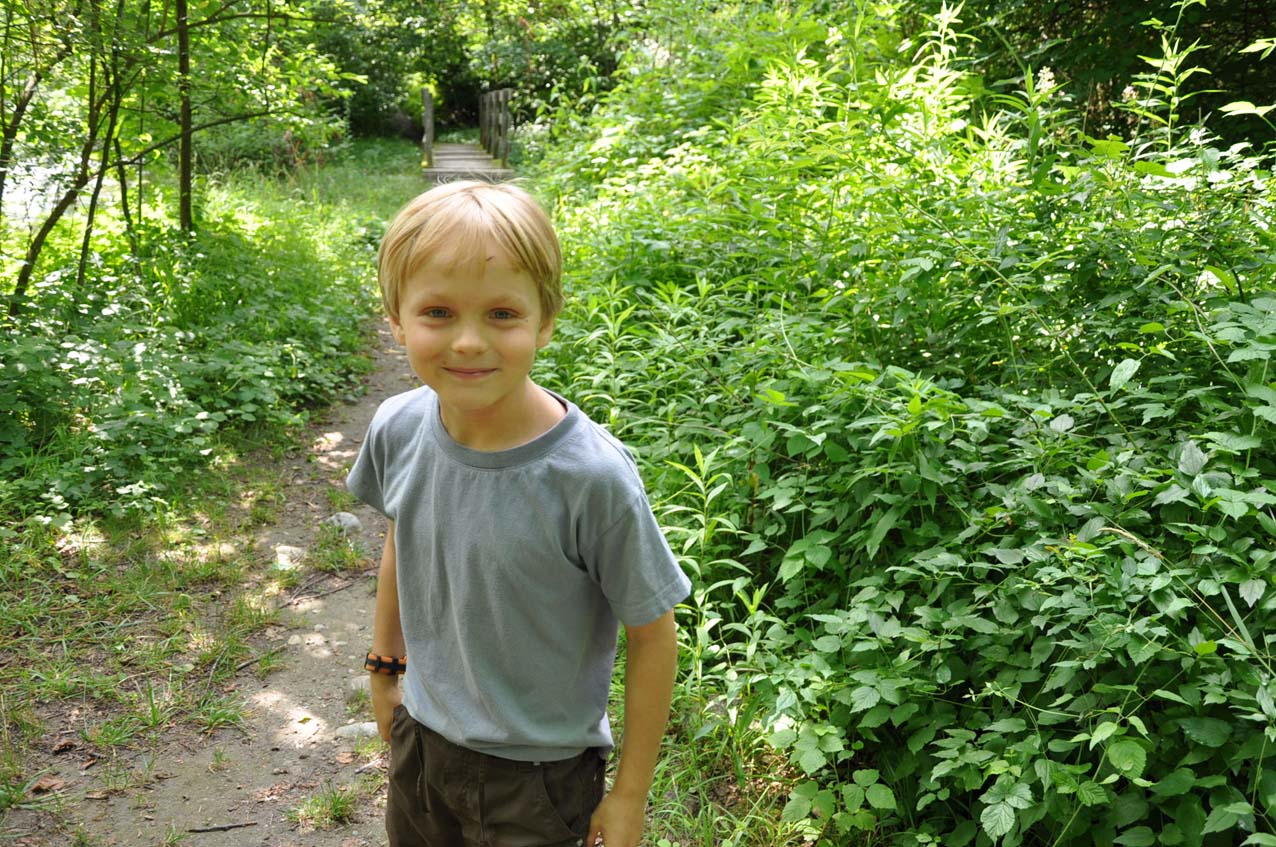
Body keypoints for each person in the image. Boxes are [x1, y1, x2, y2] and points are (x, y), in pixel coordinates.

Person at [347, 180, 692, 847]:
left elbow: (653, 634)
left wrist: (629, 794)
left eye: (502, 314)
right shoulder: (398, 426)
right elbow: (403, 537)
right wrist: (385, 665)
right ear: (396, 319)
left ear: (545, 320)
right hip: (423, 743)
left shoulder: (590, 478)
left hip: (539, 778)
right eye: (438, 312)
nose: (468, 341)